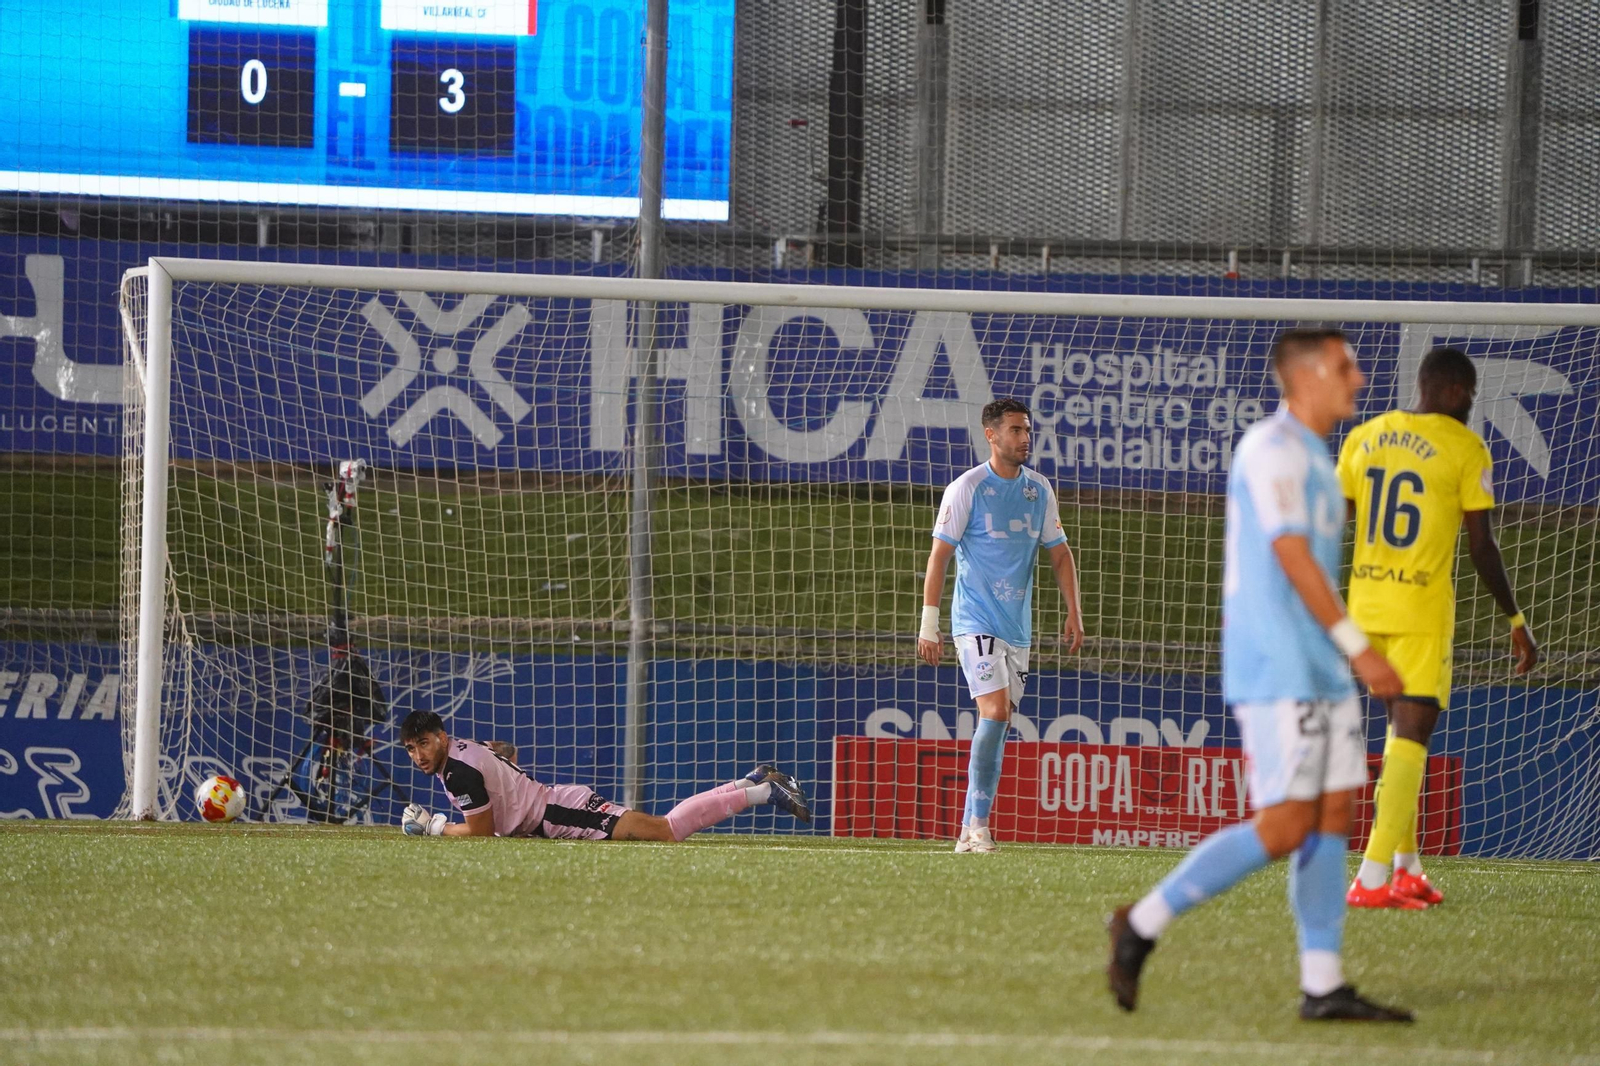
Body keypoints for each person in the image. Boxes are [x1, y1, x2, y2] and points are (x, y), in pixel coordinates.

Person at [1106, 328, 1413, 1022]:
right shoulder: (1270, 448)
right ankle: (1142, 923)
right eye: (1344, 367)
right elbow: (1291, 553)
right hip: (1278, 667)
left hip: (1320, 670)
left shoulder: (1316, 455)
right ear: (1303, 377)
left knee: (1334, 816)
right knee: (1284, 826)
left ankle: (1324, 984)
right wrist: (1359, 645)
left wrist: (1341, 655)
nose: (1358, 379)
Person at [1338, 346, 1540, 908]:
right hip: (1419, 614)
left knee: (1399, 733)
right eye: (1470, 396)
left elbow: (1338, 512)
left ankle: (1405, 867)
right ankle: (1373, 880)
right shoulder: (1463, 448)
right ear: (1450, 389)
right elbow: (1482, 546)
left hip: (1366, 608)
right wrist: (1516, 620)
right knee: (1413, 737)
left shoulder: (1367, 436)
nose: (1471, 407)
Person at [917, 397, 1085, 853]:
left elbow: (1060, 553)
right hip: (974, 621)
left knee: (1001, 720)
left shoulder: (1039, 489)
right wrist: (929, 625)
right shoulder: (967, 487)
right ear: (990, 435)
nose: (1024, 438)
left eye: (1027, 430)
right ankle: (977, 828)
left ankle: (973, 826)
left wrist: (1074, 611)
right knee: (994, 711)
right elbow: (939, 557)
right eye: (1015, 430)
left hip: (1018, 629)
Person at [396, 710, 811, 840]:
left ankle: (764, 793)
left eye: (425, 744)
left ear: (442, 737)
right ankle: (750, 781)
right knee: (661, 828)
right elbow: (504, 751)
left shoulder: (457, 775)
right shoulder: (468, 748)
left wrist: (434, 827)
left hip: (560, 814)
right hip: (555, 804)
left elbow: (482, 834)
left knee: (664, 831)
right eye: (412, 749)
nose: (419, 756)